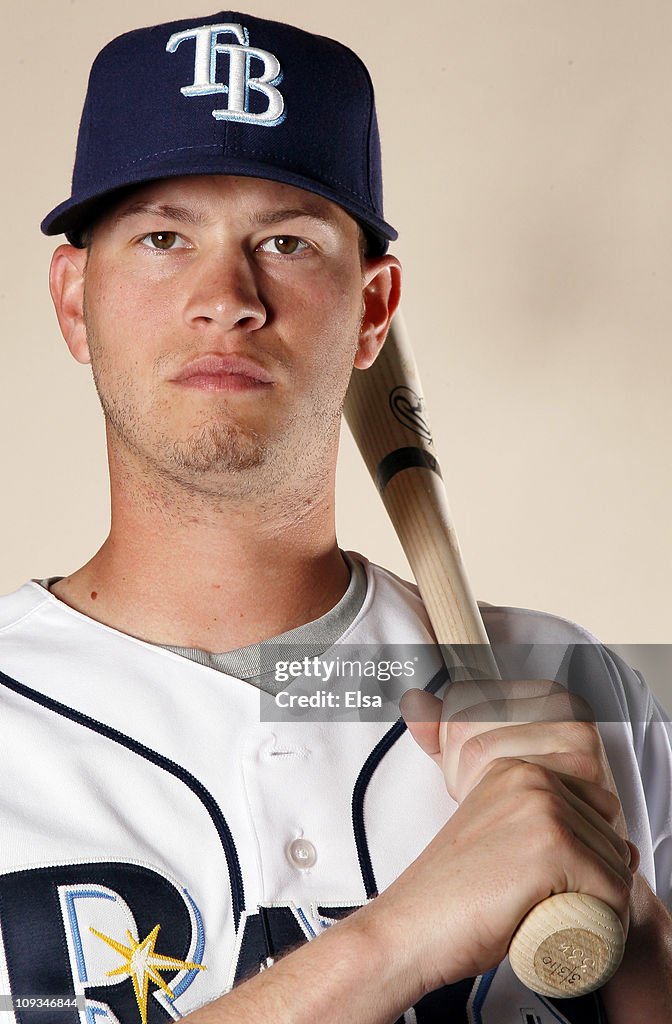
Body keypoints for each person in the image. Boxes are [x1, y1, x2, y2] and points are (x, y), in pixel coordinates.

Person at [0, 10, 670, 1024]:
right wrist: (400, 938)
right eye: (163, 237)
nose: (225, 297)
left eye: (286, 240)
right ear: (71, 298)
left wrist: (636, 929)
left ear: (374, 309)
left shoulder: (574, 691)